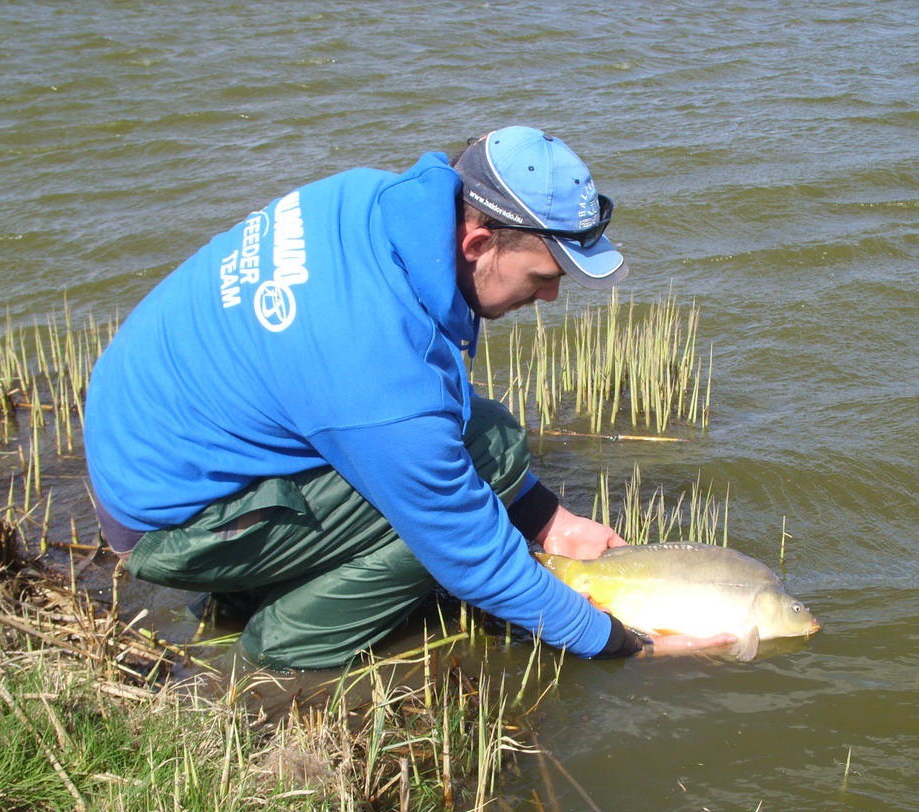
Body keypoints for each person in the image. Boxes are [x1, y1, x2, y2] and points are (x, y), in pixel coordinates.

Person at [84, 125, 649, 670]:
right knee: (444, 527)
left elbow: (421, 407)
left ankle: (257, 579)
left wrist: (553, 523)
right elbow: (471, 555)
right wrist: (618, 642)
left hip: (141, 445)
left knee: (482, 440)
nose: (550, 296)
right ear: (477, 242)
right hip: (168, 528)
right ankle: (286, 640)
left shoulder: (368, 196)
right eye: (543, 275)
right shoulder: (374, 365)